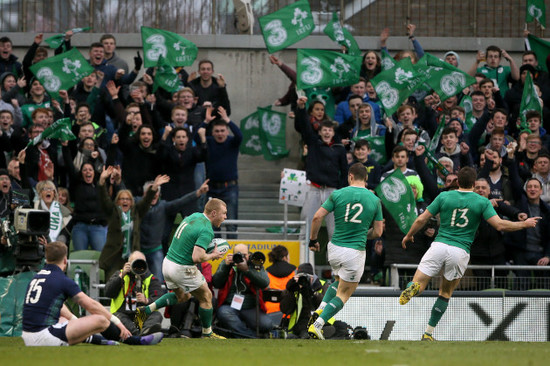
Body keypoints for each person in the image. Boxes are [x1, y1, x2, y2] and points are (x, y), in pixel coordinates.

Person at [399, 167, 541, 341]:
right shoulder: (482, 202)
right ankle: (428, 333)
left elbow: (421, 219)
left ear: (457, 182)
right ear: (474, 184)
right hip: (459, 250)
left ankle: (412, 288)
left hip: (438, 245)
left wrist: (409, 235)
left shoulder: (444, 196)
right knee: (445, 293)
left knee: (418, 283)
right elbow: (500, 225)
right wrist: (524, 224)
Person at [21, 241, 164, 346]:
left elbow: (57, 306)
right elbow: (92, 304)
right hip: (44, 337)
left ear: (47, 259)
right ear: (65, 260)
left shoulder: (37, 276)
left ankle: (102, 341)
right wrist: (117, 323)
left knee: (65, 320)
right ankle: (135, 341)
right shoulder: (62, 279)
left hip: (27, 335)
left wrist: (75, 321)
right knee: (100, 319)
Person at [307, 163, 384, 340]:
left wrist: (313, 240)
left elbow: (318, 216)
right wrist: (364, 234)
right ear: (366, 179)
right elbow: (378, 232)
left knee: (337, 281)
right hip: (354, 251)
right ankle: (318, 325)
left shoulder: (337, 194)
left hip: (334, 248)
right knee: (344, 293)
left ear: (350, 176)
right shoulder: (374, 200)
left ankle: (320, 310)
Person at [136, 198, 227, 339]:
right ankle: (207, 333)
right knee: (207, 296)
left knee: (183, 296)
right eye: (224, 213)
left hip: (168, 263)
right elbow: (197, 257)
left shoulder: (194, 216)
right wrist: (212, 255)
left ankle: (146, 310)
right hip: (182, 268)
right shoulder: (207, 230)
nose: (225, 217)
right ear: (214, 213)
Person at [98, 167, 167, 279]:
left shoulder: (136, 213)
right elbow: (103, 198)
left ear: (132, 202)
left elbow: (146, 202)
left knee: (133, 287)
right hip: (114, 257)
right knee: (114, 285)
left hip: (132, 257)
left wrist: (154, 187)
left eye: (128, 199)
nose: (125, 201)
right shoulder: (112, 211)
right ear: (117, 201)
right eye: (122, 199)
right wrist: (101, 181)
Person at [212, 243, 273, 338]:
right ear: (233, 255)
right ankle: (250, 336)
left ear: (249, 255)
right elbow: (216, 283)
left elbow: (265, 283)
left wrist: (247, 270)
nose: (241, 257)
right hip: (229, 306)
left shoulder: (254, 264)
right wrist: (224, 266)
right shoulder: (228, 264)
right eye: (238, 254)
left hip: (250, 307)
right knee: (223, 313)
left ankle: (239, 334)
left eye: (244, 255)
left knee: (266, 324)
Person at [104, 251, 165, 336]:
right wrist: (122, 275)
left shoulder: (151, 278)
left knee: (156, 315)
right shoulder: (120, 274)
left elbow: (160, 299)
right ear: (128, 264)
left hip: (140, 316)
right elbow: (108, 292)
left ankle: (144, 331)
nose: (138, 267)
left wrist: (147, 300)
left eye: (141, 263)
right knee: (118, 317)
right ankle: (141, 334)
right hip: (122, 314)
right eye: (135, 263)